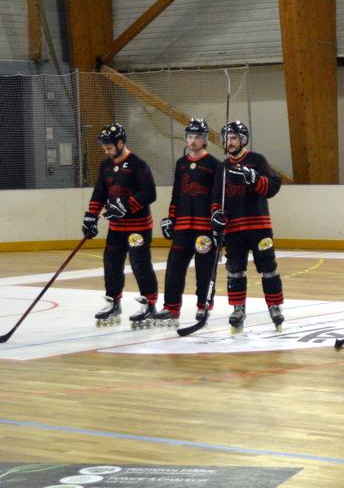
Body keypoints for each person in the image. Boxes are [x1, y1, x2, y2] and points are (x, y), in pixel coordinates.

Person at [210, 120, 284, 334]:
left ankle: (274, 306)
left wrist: (254, 178)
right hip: (234, 229)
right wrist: (216, 215)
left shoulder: (256, 160)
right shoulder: (222, 167)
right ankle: (238, 308)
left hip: (259, 226)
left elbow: (273, 186)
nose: (229, 142)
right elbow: (216, 197)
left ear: (243, 139)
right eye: (226, 138)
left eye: (233, 138)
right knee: (235, 271)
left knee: (268, 268)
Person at [84, 122, 159, 328]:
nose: (105, 149)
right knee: (111, 263)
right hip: (116, 227)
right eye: (104, 146)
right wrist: (90, 216)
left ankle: (149, 304)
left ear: (120, 142)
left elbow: (149, 193)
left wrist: (126, 206)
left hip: (138, 226)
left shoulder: (138, 164)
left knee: (139, 264)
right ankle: (113, 302)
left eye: (108, 145)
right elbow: (100, 193)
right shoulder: (105, 166)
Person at [153, 119, 221, 328]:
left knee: (205, 268)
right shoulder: (181, 164)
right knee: (174, 266)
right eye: (190, 137)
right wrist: (170, 219)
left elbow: (218, 197)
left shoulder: (214, 165)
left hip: (204, 228)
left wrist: (218, 224)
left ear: (205, 139)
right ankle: (171, 308)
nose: (193, 141)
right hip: (183, 225)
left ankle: (203, 306)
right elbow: (176, 194)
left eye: (197, 137)